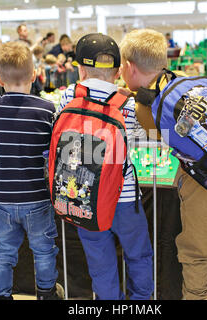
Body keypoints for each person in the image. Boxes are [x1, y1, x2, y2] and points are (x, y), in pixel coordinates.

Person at [119, 28, 207, 300]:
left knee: (196, 253)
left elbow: (155, 134)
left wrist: (135, 97)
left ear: (128, 66)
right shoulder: (197, 83)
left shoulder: (147, 107)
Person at [57, 33, 154, 300]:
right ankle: (141, 301)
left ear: (80, 69)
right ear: (118, 71)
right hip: (123, 195)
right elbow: (143, 135)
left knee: (100, 261)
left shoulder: (69, 97)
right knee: (139, 254)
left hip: (84, 195)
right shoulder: (129, 104)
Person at [0, 41, 62, 300]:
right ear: (34, 75)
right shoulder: (46, 110)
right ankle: (46, 293)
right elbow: (53, 142)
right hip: (36, 196)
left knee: (3, 252)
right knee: (43, 249)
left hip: (2, 197)